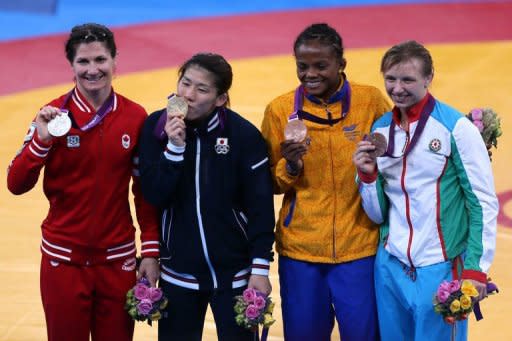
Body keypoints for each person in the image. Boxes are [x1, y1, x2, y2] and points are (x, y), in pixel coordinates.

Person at [6, 23, 160, 341]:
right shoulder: (51, 116)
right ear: (71, 66)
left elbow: (143, 192)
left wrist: (150, 250)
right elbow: (16, 183)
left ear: (116, 61)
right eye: (84, 62)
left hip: (117, 262)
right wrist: (42, 141)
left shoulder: (135, 116)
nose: (93, 70)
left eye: (101, 60)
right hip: (63, 260)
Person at [353, 40, 499, 340]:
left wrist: (475, 269)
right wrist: (367, 178)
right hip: (390, 267)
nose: (397, 88)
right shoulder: (381, 129)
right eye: (390, 79)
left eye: (408, 79)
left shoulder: (455, 128)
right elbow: (378, 214)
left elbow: (482, 203)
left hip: (441, 269)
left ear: (429, 78)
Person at [260, 23, 390, 340]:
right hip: (301, 252)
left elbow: (394, 161)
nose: (310, 74)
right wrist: (291, 165)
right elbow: (268, 184)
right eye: (302, 66)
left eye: (321, 65)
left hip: (359, 248)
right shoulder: (280, 111)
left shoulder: (370, 102)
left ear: (341, 64)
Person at [138, 52, 275, 341]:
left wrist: (260, 268)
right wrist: (175, 149)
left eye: (201, 89)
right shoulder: (155, 127)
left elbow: (261, 207)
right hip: (178, 274)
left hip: (236, 275)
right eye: (185, 83)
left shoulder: (243, 136)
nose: (188, 95)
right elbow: (152, 194)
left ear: (221, 98)